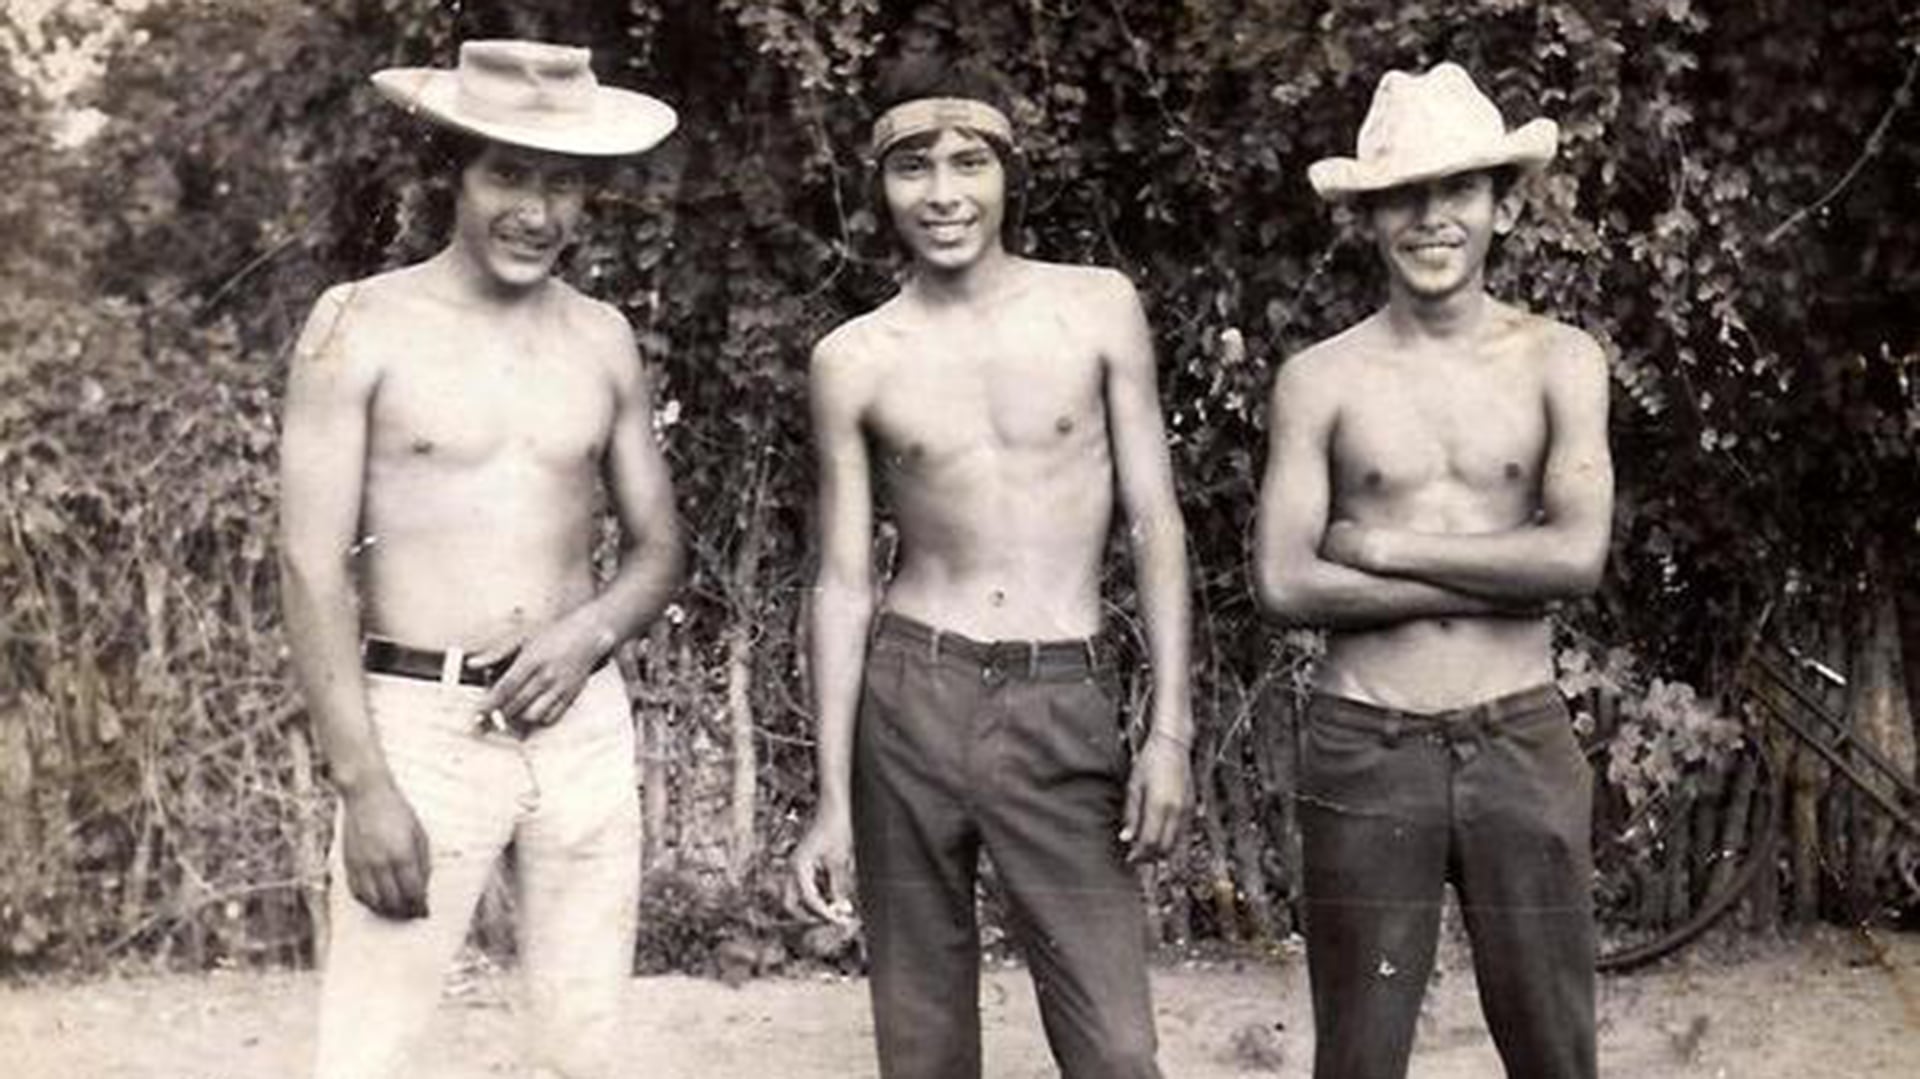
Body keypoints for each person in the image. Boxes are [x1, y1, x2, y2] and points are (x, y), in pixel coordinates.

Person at [277, 40, 682, 1079]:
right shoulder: (358, 323)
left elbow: (658, 547)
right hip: (419, 727)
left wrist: (590, 632)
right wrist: (363, 780)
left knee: (582, 1047)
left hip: (580, 727)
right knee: (369, 1050)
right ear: (450, 174)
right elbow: (310, 563)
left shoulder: (602, 337)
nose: (535, 211)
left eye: (562, 183)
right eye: (508, 172)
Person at [790, 54, 1194, 1079]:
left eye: (969, 161)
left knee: (1117, 1046)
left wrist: (1171, 732)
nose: (943, 193)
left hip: (1062, 689)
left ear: (1009, 170)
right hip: (911, 690)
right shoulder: (855, 357)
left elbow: (1154, 519)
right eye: (913, 166)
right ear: (880, 182)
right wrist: (831, 794)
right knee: (921, 1043)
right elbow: (841, 580)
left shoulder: (1098, 307)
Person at [1252, 62, 1613, 1079]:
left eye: (1457, 189)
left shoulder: (1561, 359)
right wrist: (1508, 572)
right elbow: (1283, 582)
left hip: (1521, 736)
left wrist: (1380, 545)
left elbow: (1576, 555)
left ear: (1503, 204)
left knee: (1556, 1049)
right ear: (1368, 216)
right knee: (1359, 1056)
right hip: (1365, 741)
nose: (1431, 217)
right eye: (1403, 194)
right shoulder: (1320, 377)